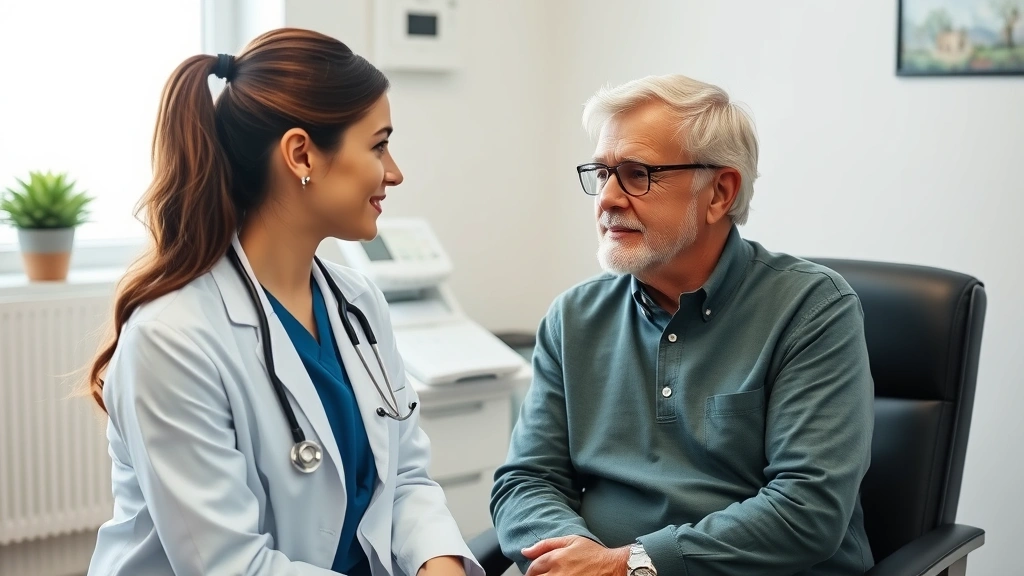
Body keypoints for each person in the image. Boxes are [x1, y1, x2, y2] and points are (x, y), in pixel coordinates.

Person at [85, 28, 482, 576]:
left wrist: (439, 565)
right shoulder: (172, 338)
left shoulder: (356, 302)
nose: (394, 172)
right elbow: (230, 565)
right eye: (378, 145)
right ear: (301, 154)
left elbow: (406, 480)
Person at [490, 74, 875, 576]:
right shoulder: (573, 316)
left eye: (635, 174)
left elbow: (807, 509)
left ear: (719, 191)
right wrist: (574, 560)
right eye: (601, 173)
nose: (606, 198)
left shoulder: (812, 308)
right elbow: (526, 481)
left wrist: (627, 566)